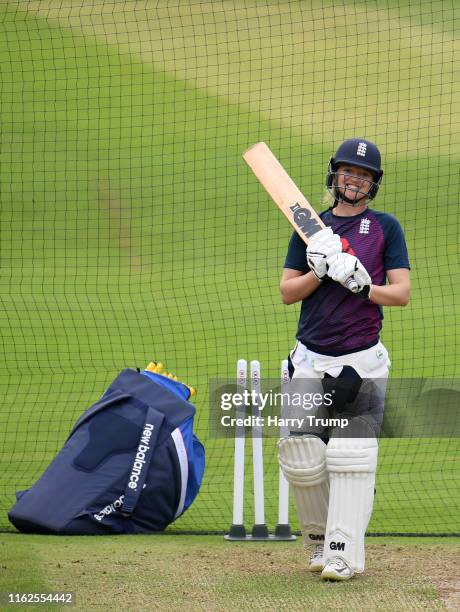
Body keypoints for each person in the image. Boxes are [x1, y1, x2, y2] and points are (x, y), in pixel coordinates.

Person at [277, 138, 410, 581]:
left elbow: (401, 294)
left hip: (361, 361)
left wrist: (361, 285)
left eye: (364, 175)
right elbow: (287, 292)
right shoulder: (311, 232)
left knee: (351, 457)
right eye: (349, 172)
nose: (355, 180)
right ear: (335, 176)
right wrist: (321, 269)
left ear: (373, 184)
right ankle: (317, 543)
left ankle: (342, 554)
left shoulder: (385, 227)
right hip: (310, 359)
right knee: (300, 453)